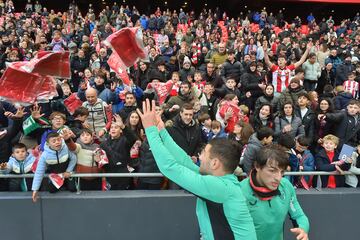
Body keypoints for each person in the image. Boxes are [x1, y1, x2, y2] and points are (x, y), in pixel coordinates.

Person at [137, 99, 257, 240]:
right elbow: (184, 161)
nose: (200, 156)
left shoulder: (220, 187)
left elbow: (169, 167)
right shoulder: (220, 181)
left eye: (204, 153)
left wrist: (150, 130)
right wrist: (161, 131)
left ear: (215, 163)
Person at [240, 144, 310, 240]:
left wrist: (303, 229)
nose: (278, 178)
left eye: (282, 172)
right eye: (272, 170)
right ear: (257, 166)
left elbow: (299, 216)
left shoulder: (286, 186)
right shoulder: (240, 192)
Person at [32, 132, 77, 202]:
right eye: (54, 141)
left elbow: (73, 158)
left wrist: (69, 171)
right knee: (51, 190)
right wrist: (35, 190)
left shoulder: (66, 148)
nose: (57, 142)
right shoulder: (44, 155)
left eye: (59, 140)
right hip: (56, 176)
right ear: (48, 143)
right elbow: (39, 172)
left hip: (67, 174)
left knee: (73, 188)